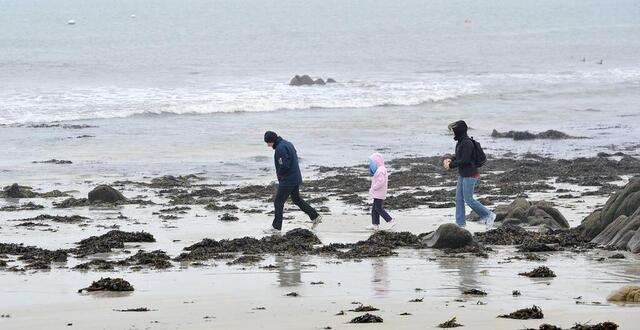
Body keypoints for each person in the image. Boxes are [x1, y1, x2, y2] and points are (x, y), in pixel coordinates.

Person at [263, 131, 322, 234]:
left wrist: (280, 175)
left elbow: (284, 165)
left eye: (267, 142)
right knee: (297, 199)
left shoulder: (280, 148)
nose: (267, 145)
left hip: (288, 180)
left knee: (278, 202)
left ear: (271, 140)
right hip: (296, 177)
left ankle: (276, 228)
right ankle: (315, 216)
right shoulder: (287, 143)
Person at [443, 120, 495, 230]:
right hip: (463, 174)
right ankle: (460, 224)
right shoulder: (461, 142)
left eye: (453, 131)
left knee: (469, 199)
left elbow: (465, 160)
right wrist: (450, 159)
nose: (452, 133)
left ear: (459, 131)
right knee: (459, 199)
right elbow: (458, 156)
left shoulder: (467, 143)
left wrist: (451, 166)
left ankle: (489, 215)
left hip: (470, 175)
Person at [367, 152, 396, 231]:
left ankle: (390, 220)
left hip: (379, 192)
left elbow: (381, 181)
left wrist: (374, 188)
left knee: (378, 208)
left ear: (376, 162)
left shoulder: (381, 170)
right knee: (374, 209)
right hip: (377, 193)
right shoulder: (380, 169)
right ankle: (375, 224)